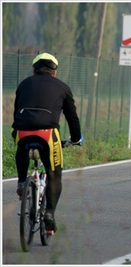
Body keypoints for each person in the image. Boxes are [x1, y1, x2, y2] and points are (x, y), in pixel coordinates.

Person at [12, 52, 82, 234]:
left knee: (20, 145)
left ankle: (21, 183)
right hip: (48, 135)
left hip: (23, 131)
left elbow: (16, 112)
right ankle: (49, 214)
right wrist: (75, 138)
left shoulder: (24, 84)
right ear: (54, 72)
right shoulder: (63, 87)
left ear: (34, 71)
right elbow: (72, 118)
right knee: (55, 175)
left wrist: (16, 133)